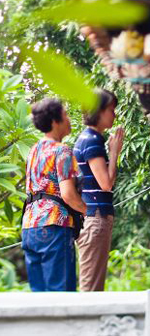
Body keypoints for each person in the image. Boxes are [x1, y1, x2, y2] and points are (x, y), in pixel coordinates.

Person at [22, 98, 86, 292]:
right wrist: (88, 211)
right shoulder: (62, 151)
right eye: (65, 115)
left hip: (29, 227)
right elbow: (68, 194)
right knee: (61, 294)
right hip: (54, 227)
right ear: (55, 121)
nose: (69, 119)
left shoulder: (34, 150)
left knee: (39, 296)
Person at [74, 89, 124, 292]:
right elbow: (106, 183)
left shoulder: (91, 139)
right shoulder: (92, 141)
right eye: (111, 109)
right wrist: (114, 153)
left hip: (94, 218)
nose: (114, 115)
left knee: (93, 285)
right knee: (91, 289)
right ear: (100, 111)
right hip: (95, 218)